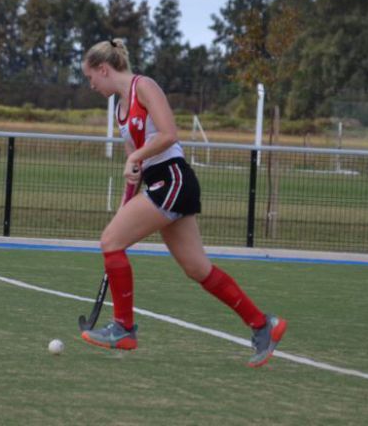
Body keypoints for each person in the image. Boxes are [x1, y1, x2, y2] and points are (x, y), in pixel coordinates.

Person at [79, 39, 286, 367]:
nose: (90, 84)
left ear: (104, 69)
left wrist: (136, 154)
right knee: (197, 268)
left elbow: (169, 133)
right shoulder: (120, 110)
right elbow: (135, 171)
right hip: (158, 182)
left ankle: (123, 328)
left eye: (91, 76)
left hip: (173, 179)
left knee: (110, 241)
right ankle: (263, 325)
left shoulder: (143, 86)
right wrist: (125, 203)